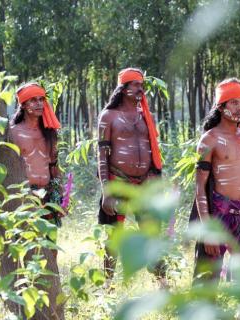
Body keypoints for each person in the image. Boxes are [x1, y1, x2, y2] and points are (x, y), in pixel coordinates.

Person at [191, 78, 240, 299]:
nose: (239, 108)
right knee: (207, 281)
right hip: (218, 216)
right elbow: (200, 189)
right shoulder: (209, 140)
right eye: (233, 103)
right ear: (221, 106)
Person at [97, 68, 166, 286]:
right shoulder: (108, 116)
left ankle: (162, 284)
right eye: (135, 84)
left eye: (141, 84)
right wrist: (106, 191)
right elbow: (101, 157)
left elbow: (154, 149)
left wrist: (155, 176)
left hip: (145, 184)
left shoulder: (147, 116)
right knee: (113, 238)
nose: (140, 88)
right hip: (118, 183)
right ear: (123, 88)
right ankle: (106, 286)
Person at [9, 82, 64, 319]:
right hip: (23, 198)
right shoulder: (12, 132)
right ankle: (22, 305)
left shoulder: (49, 132)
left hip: (48, 197)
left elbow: (55, 168)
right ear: (23, 104)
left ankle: (50, 302)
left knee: (51, 251)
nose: (39, 104)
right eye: (33, 100)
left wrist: (60, 198)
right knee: (24, 249)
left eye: (42, 99)